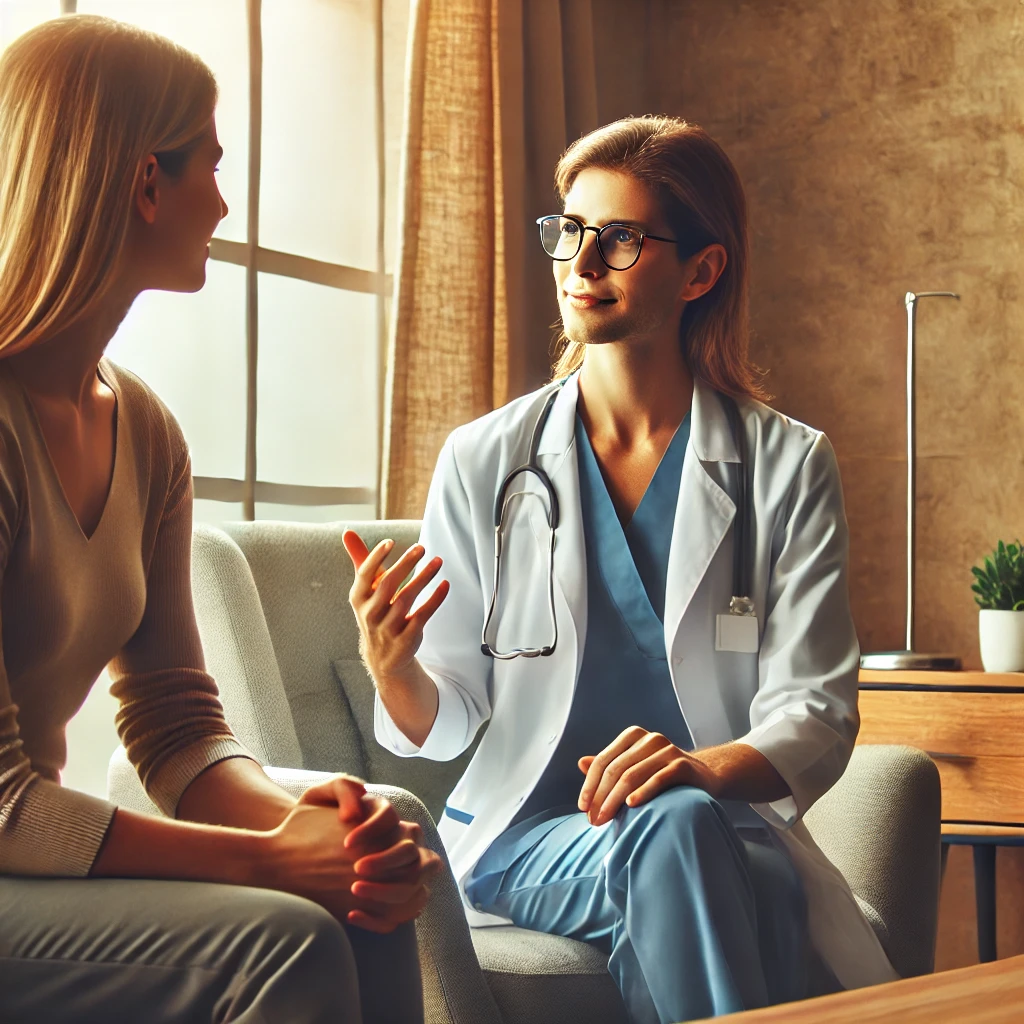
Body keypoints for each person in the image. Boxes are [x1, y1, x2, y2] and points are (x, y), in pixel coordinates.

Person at [345, 115, 899, 1024]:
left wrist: (698, 770)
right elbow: (445, 724)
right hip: (529, 837)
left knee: (679, 830)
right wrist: (394, 666)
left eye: (621, 238)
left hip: (722, 825)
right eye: (569, 232)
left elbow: (816, 711)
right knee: (674, 838)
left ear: (702, 271)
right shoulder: (485, 459)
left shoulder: (787, 464)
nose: (581, 262)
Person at [0, 15, 438, 1023]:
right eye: (210, 161)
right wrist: (271, 860)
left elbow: (176, 726)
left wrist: (318, 826)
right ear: (146, 183)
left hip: (27, 865)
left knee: (364, 896)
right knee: (281, 940)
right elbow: (4, 800)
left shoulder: (144, 430)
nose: (226, 200)